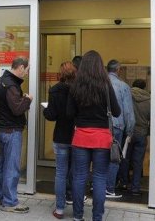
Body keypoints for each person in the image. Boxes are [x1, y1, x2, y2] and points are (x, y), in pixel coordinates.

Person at [67, 50, 120, 221]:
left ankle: (77, 216)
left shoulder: (76, 86)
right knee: (99, 178)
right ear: (99, 66)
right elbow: (117, 112)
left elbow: (69, 113)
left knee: (79, 177)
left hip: (81, 137)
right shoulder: (106, 85)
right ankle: (97, 217)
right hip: (102, 139)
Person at [0, 57, 32, 214]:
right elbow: (16, 109)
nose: (27, 73)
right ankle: (9, 202)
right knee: (12, 167)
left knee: (1, 163)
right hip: (11, 130)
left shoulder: (2, 80)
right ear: (21, 67)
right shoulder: (11, 85)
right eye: (27, 70)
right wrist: (27, 100)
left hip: (1, 129)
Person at [43, 61, 76, 219]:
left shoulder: (55, 90)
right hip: (78, 138)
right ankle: (77, 209)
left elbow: (51, 115)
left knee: (61, 173)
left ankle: (60, 209)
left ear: (60, 74)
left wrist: (46, 108)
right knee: (77, 173)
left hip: (61, 136)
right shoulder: (80, 89)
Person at [105, 59, 135, 199]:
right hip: (117, 126)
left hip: (100, 125)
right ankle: (109, 188)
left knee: (100, 156)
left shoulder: (100, 83)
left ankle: (97, 185)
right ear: (118, 70)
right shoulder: (123, 86)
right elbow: (128, 111)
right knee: (114, 158)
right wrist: (130, 130)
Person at [119, 79, 150, 195]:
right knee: (138, 162)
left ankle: (124, 183)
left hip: (128, 133)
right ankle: (135, 187)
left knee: (125, 159)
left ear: (132, 86)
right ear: (144, 87)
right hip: (141, 134)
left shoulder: (127, 96)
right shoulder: (149, 100)